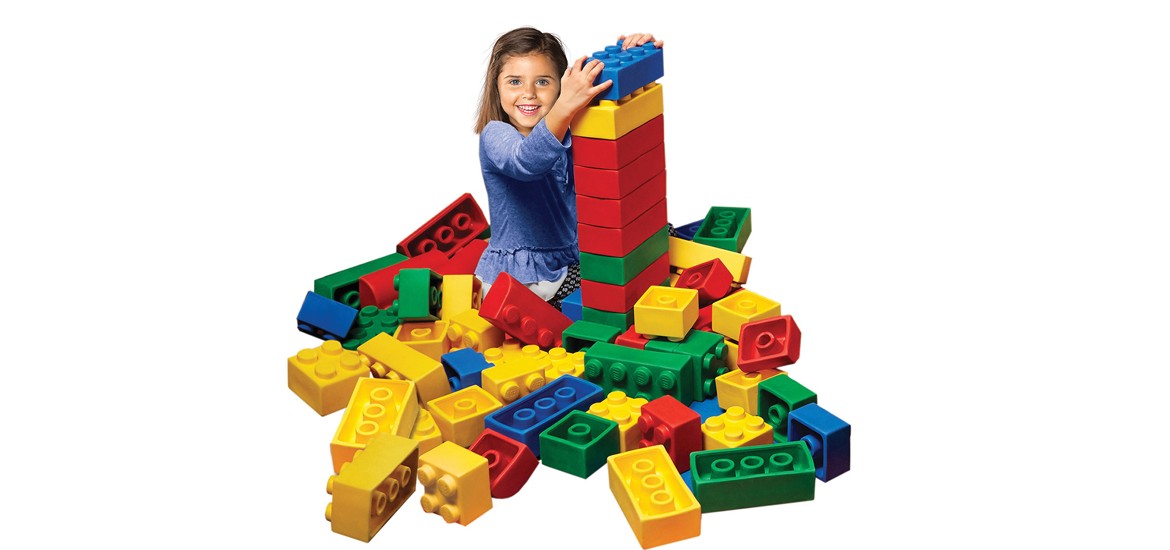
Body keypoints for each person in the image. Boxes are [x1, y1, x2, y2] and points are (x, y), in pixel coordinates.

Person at [473, 27, 664, 310]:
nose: (529, 94)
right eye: (514, 82)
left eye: (542, 82)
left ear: (561, 87)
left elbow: (607, 133)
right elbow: (526, 161)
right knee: (611, 290)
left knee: (657, 240)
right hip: (524, 282)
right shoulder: (496, 134)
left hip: (565, 262)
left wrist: (631, 62)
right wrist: (564, 107)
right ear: (496, 87)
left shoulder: (569, 132)